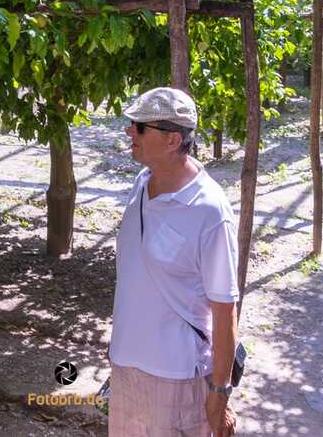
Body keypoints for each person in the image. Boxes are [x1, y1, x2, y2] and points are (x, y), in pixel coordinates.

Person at [108, 87, 240, 437]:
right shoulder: (143, 183)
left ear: (172, 140)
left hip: (175, 380)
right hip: (125, 366)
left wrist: (219, 395)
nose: (129, 132)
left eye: (139, 126)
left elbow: (225, 309)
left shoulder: (210, 212)